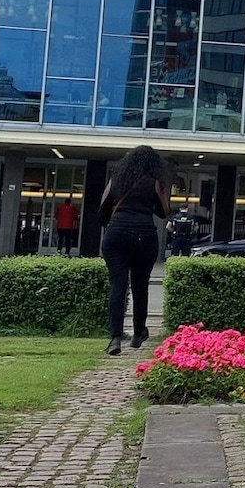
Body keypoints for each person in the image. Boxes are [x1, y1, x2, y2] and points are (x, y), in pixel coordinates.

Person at [97, 145, 169, 355]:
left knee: (117, 285)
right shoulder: (155, 183)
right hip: (144, 235)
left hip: (116, 234)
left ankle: (115, 338)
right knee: (140, 285)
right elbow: (164, 212)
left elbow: (102, 211)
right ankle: (138, 333)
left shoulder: (116, 180)